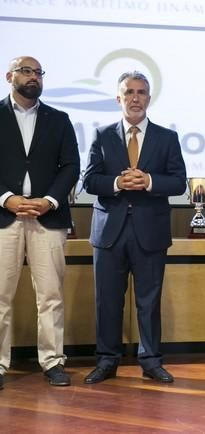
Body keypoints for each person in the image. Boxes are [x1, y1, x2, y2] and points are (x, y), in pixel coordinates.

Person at [83, 71, 186, 384]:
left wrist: (149, 181)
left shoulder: (167, 138)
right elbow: (89, 180)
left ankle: (151, 360)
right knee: (107, 301)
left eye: (141, 92)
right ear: (119, 98)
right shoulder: (102, 135)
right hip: (109, 232)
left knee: (149, 302)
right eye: (129, 92)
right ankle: (107, 361)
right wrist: (116, 182)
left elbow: (179, 182)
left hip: (150, 232)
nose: (135, 98)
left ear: (149, 99)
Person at [0, 56, 80, 389]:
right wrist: (7, 198)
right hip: (5, 217)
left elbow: (70, 166)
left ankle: (52, 361)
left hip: (48, 218)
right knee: (0, 297)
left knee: (50, 295)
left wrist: (48, 201)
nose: (33, 77)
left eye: (38, 73)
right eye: (26, 71)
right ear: (10, 76)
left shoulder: (59, 119)